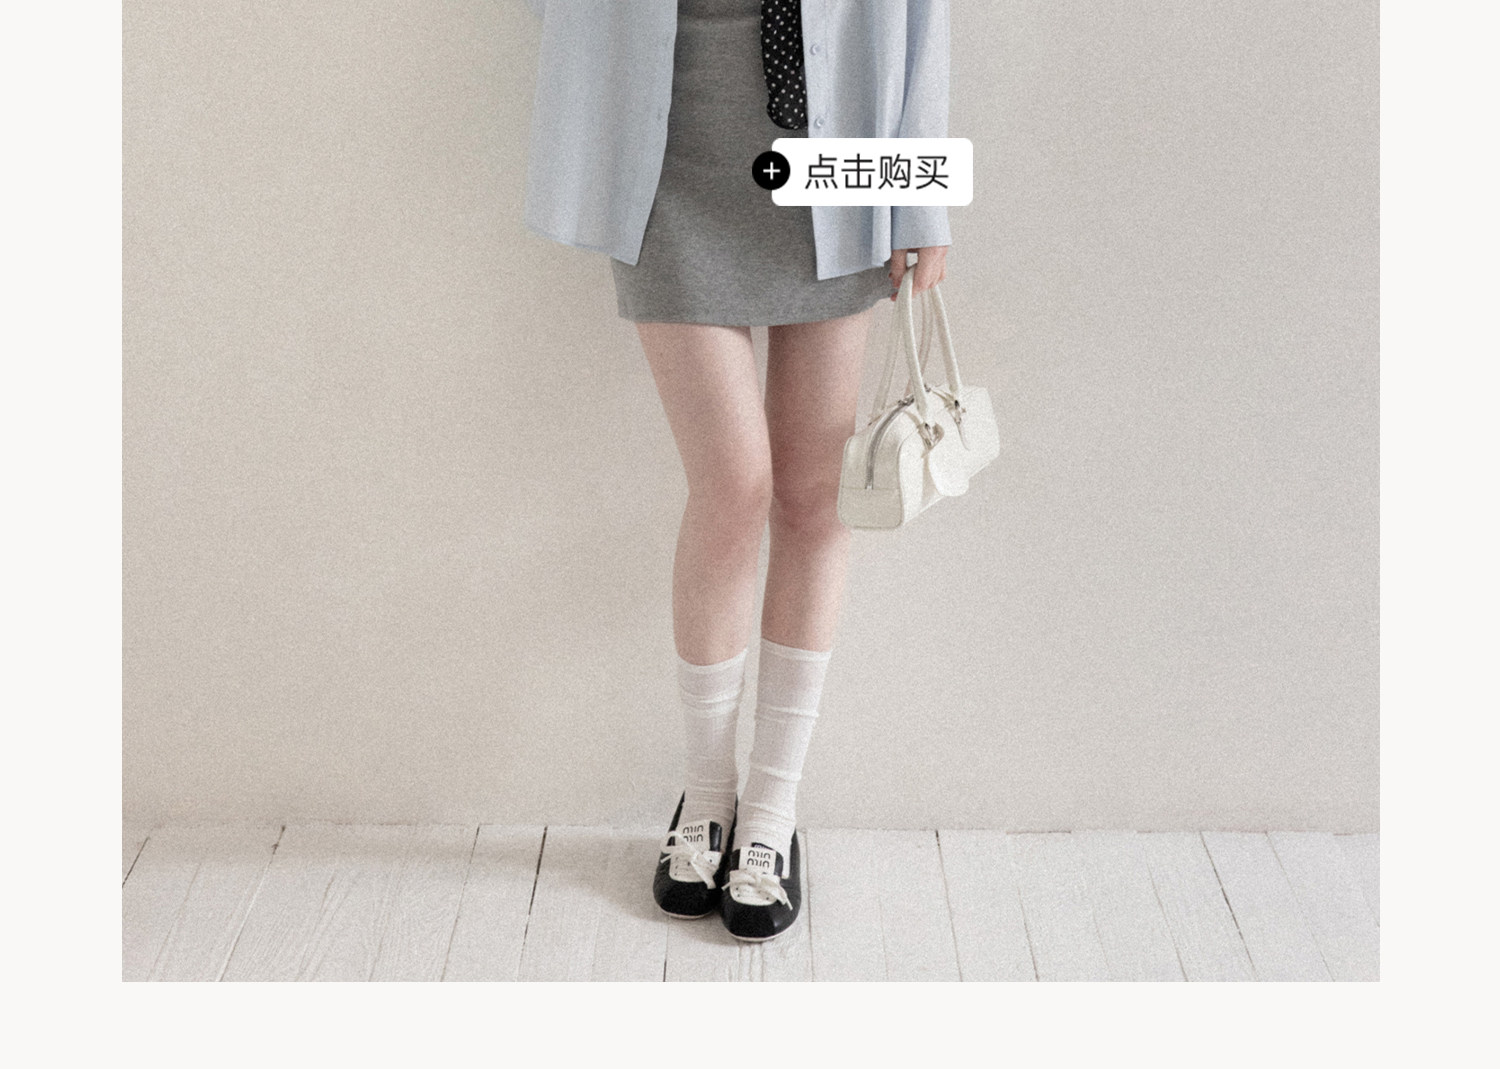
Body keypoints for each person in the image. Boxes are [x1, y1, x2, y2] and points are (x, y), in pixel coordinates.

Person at [521, 0, 951, 941]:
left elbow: (921, 15)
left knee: (812, 498)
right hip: (662, 163)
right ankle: (707, 791)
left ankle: (771, 809)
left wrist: (920, 195)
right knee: (733, 483)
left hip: (838, 159)